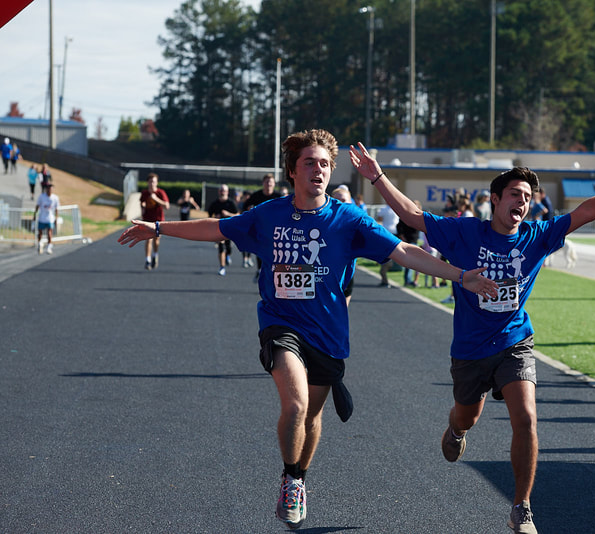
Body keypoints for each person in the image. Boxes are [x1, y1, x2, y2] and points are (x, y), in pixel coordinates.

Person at [118, 128, 498, 530]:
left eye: (324, 164)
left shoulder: (348, 219)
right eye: (308, 163)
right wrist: (159, 229)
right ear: (292, 171)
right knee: (296, 405)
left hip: (328, 334)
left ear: (331, 171)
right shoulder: (269, 215)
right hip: (281, 325)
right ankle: (291, 478)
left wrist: (459, 276)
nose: (317, 170)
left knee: (312, 416)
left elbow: (403, 250)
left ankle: (299, 475)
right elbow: (217, 227)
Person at [350, 140, 595, 534]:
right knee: (468, 413)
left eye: (529, 197)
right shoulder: (464, 232)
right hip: (469, 347)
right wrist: (377, 177)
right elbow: (414, 216)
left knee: (527, 418)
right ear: (495, 200)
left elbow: (585, 211)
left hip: (515, 340)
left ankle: (522, 506)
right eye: (515, 195)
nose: (523, 202)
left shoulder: (536, 235)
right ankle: (456, 429)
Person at [243, 174, 282, 278]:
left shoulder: (278, 197)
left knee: (274, 251)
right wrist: (249, 210)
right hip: (260, 228)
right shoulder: (256, 196)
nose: (268, 184)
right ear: (263, 183)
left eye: (271, 182)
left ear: (274, 184)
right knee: (261, 248)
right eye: (267, 182)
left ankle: (273, 270)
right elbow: (245, 207)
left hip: (275, 228)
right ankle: (260, 269)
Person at [139, 173, 170, 270]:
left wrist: (156, 199)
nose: (152, 184)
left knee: (156, 240)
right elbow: (142, 204)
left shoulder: (160, 193)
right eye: (150, 182)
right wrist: (143, 207)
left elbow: (167, 206)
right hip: (147, 220)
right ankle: (147, 260)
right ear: (148, 183)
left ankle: (155, 255)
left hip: (158, 220)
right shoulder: (144, 193)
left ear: (157, 183)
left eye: (154, 182)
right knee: (148, 239)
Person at [206, 184, 238, 276]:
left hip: (229, 229)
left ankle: (228, 255)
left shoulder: (231, 203)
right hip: (218, 229)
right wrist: (215, 217)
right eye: (221, 190)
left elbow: (238, 215)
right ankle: (222, 267)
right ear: (218, 192)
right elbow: (209, 216)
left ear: (227, 192)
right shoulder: (215, 204)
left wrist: (228, 214)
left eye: (224, 190)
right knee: (221, 247)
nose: (222, 192)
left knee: (228, 248)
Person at [376, 202, 399, 287]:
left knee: (386, 252)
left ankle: (387, 263)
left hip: (386, 232)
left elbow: (379, 220)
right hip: (395, 232)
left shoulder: (384, 209)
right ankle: (390, 262)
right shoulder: (396, 209)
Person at [33, 182, 59, 254]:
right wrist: (34, 215)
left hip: (50, 218)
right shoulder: (42, 196)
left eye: (51, 188)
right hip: (42, 217)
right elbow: (37, 206)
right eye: (48, 188)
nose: (49, 190)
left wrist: (56, 218)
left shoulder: (55, 198)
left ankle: (49, 246)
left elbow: (56, 209)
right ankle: (40, 243)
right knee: (40, 232)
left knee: (49, 232)